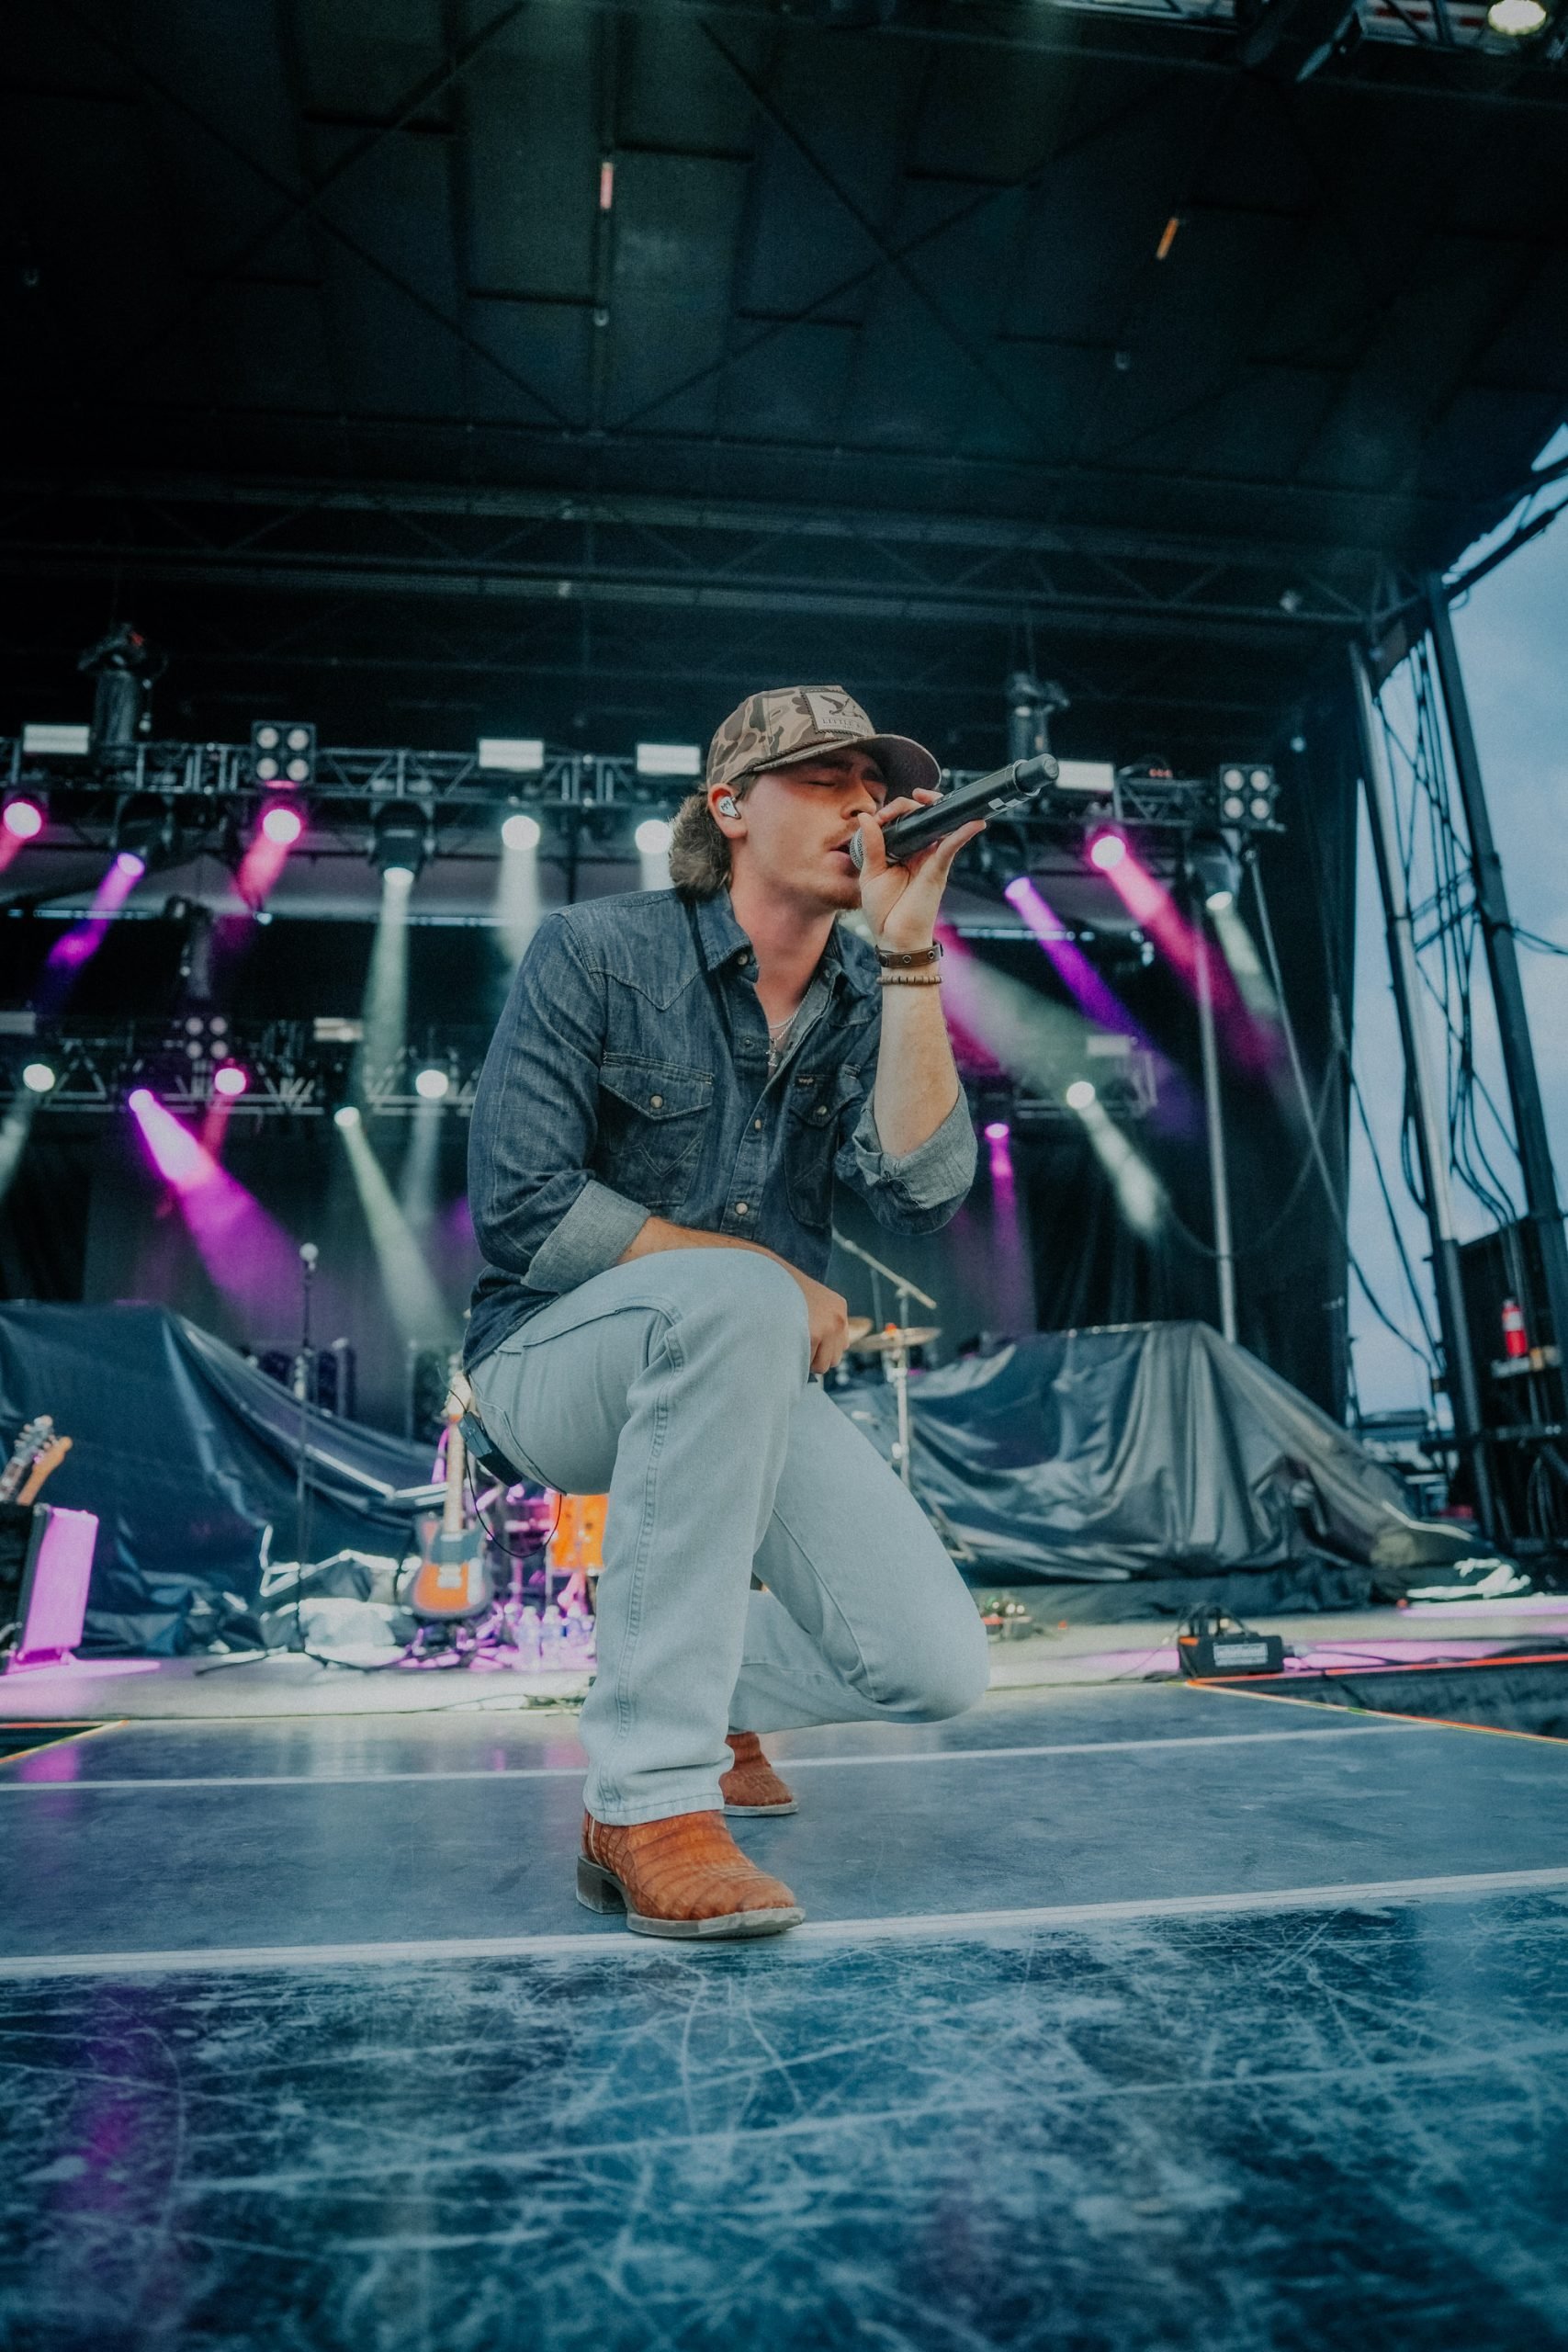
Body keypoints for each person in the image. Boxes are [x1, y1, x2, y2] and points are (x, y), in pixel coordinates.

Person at [464, 685, 992, 1939]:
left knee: (934, 1668)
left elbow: (923, 1192)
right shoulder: (597, 950)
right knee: (742, 1294)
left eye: (874, 783)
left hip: (735, 1359)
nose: (861, 803)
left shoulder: (868, 997)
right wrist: (763, 1276)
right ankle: (646, 1803)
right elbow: (524, 1211)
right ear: (730, 807)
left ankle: (688, 1666)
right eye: (821, 778)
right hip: (543, 1365)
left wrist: (910, 956)